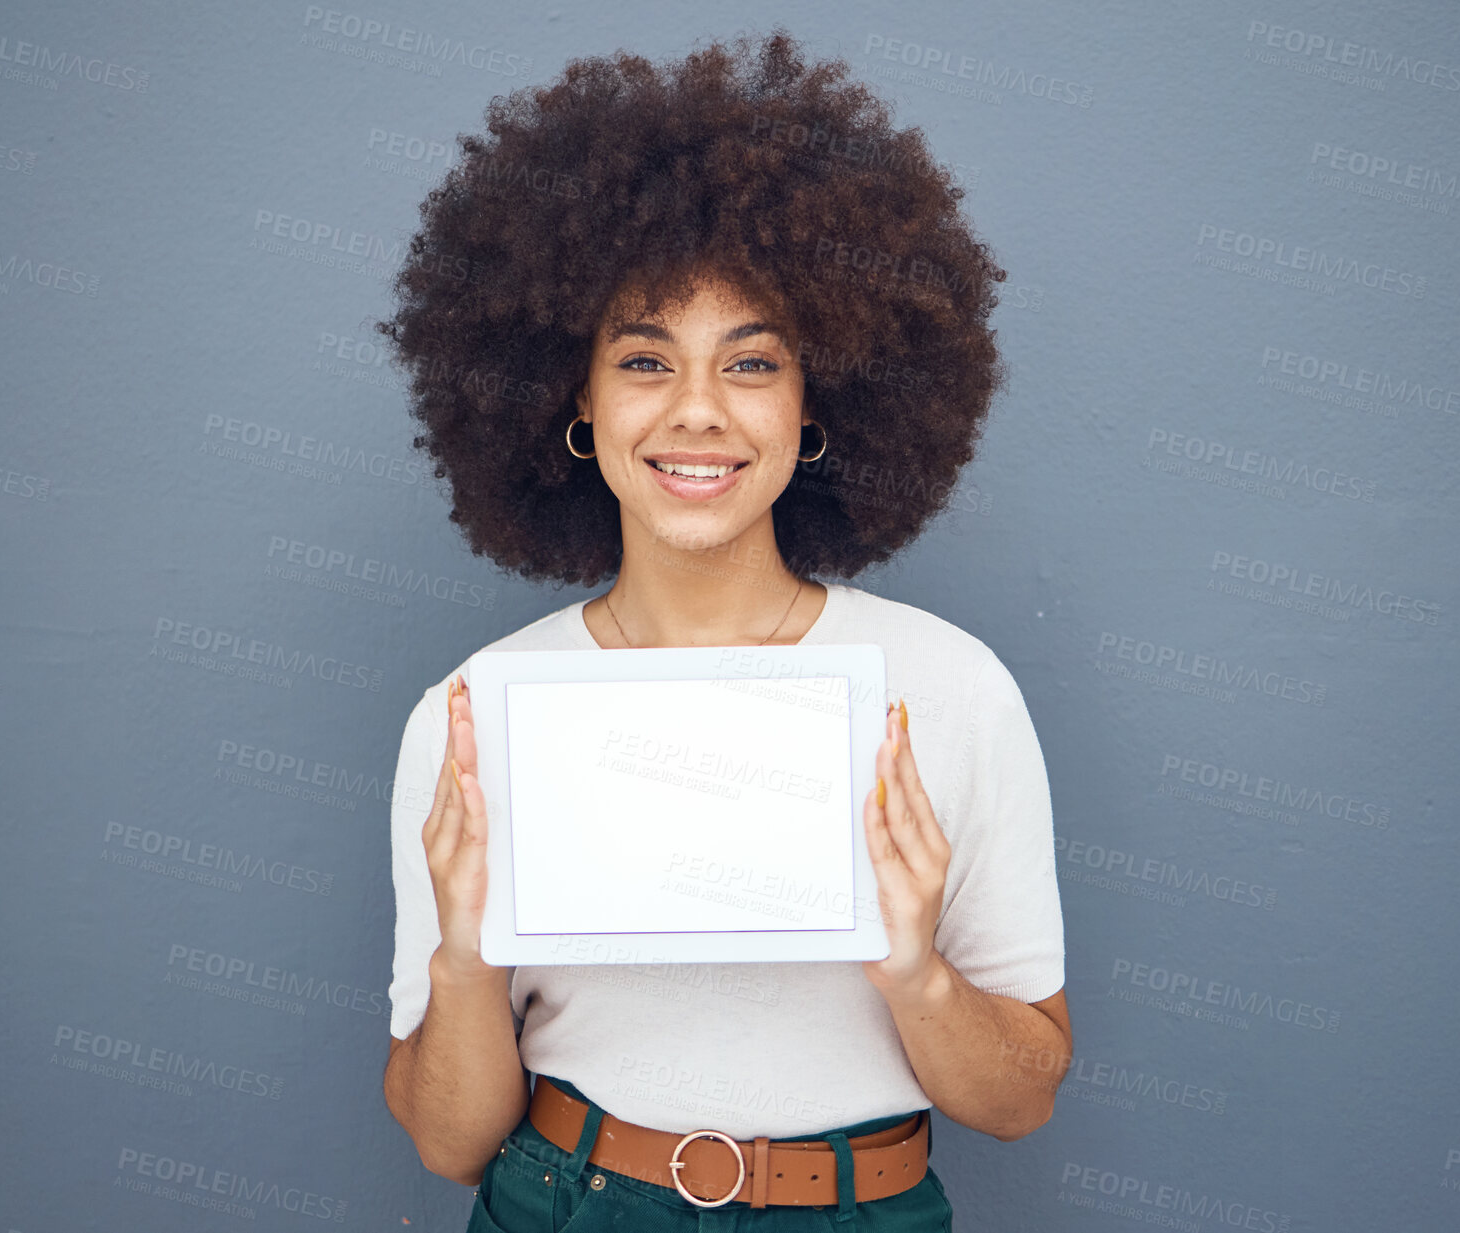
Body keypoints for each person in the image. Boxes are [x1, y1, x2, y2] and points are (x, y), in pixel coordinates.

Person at [377, 28, 1072, 1231]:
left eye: (752, 364)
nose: (697, 411)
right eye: (645, 359)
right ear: (577, 407)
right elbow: (449, 1146)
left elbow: (1018, 1105)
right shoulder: (473, 716)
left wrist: (914, 968)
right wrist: (464, 950)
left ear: (816, 410)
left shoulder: (950, 692)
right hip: (566, 1202)